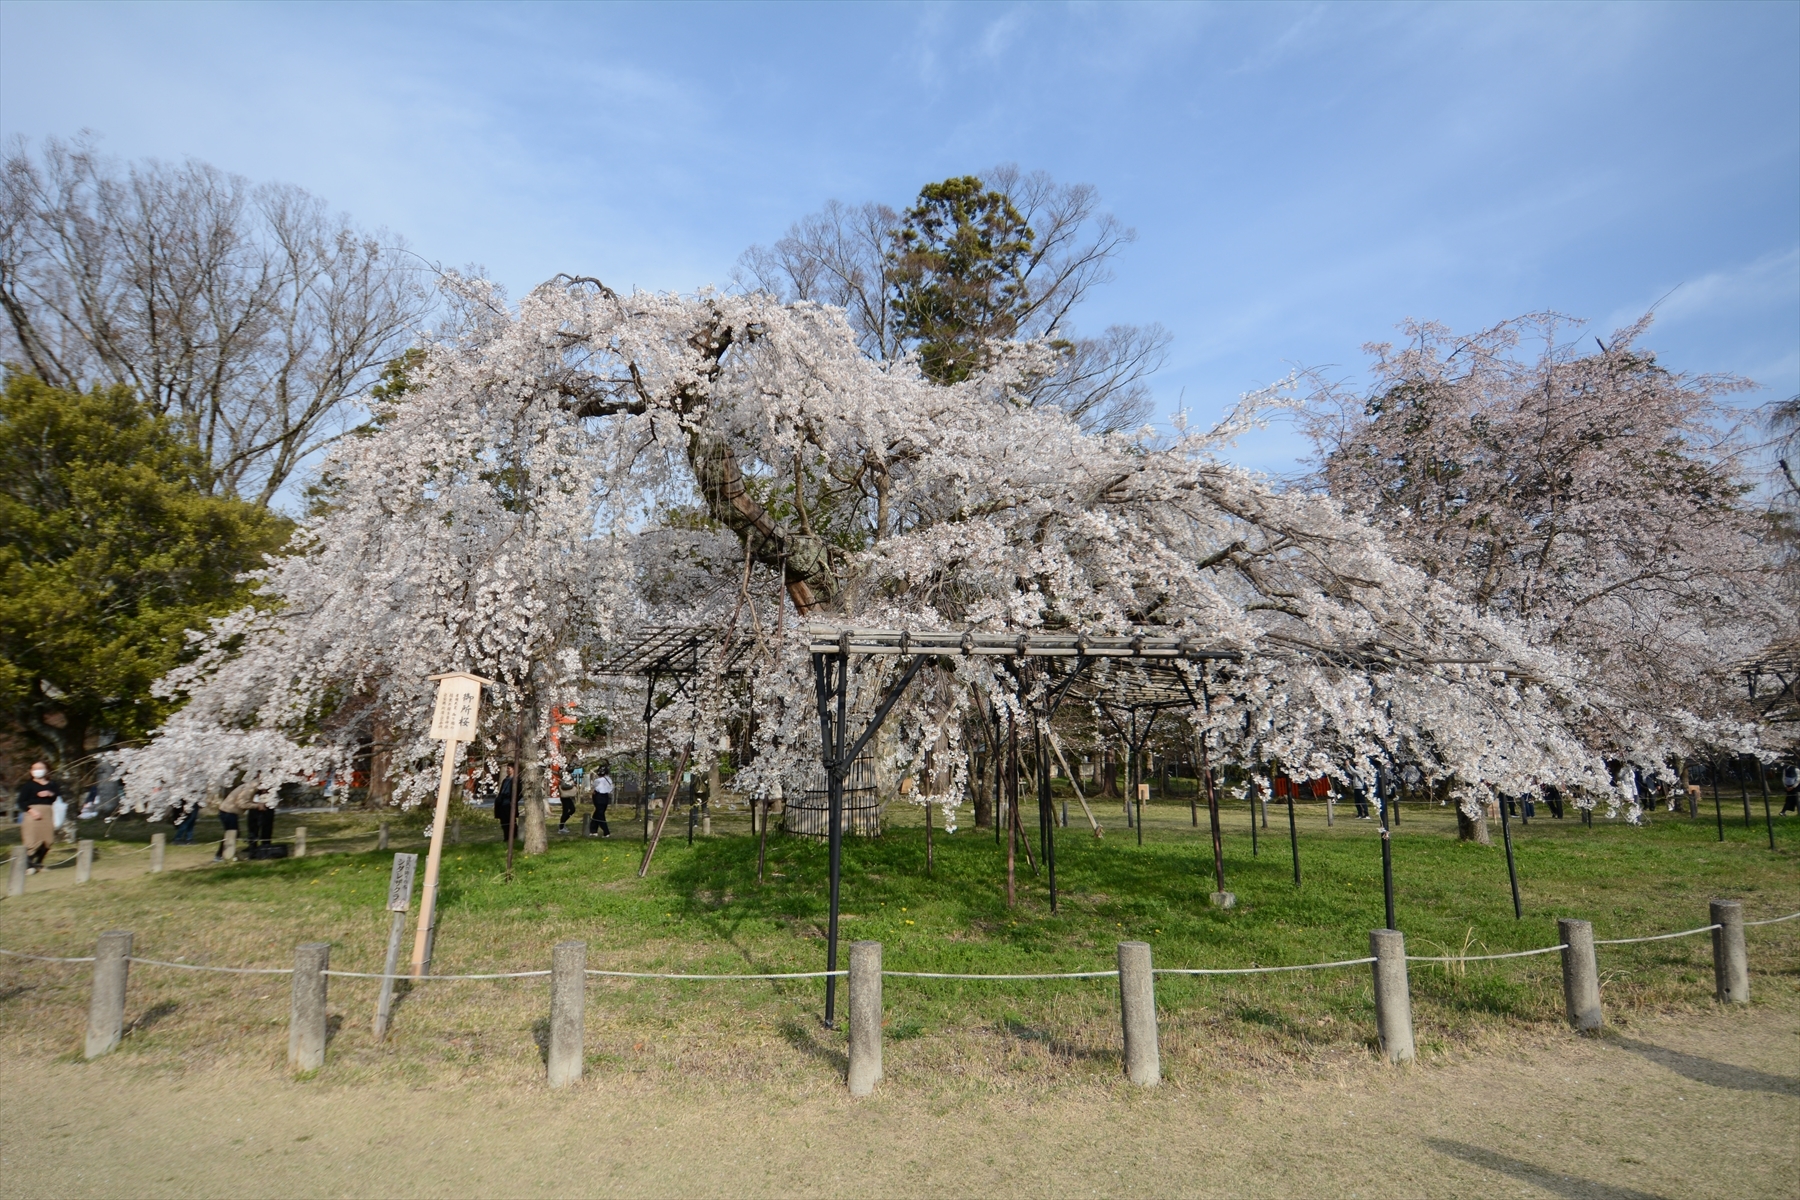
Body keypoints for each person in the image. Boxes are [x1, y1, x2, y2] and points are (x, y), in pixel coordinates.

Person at [15, 763, 61, 872]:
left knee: (47, 840)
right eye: (34, 768)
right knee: (32, 840)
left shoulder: (52, 784)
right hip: (32, 814)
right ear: (31, 771)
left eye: (40, 768)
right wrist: (31, 811)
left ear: (46, 770)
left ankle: (38, 863)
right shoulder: (28, 785)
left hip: (48, 813)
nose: (37, 770)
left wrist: (50, 794)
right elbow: (20, 802)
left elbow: (57, 796)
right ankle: (28, 865)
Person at [215, 778, 253, 860]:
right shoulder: (250, 787)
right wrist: (257, 805)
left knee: (233, 834)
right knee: (231, 834)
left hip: (228, 811)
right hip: (228, 811)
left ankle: (227, 854)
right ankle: (221, 855)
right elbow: (242, 803)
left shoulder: (248, 786)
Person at [495, 764, 519, 843]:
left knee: (511, 821)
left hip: (509, 803)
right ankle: (506, 837)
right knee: (503, 821)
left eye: (509, 769)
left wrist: (514, 800)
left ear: (514, 769)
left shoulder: (516, 780)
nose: (508, 770)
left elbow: (519, 792)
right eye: (507, 769)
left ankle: (513, 836)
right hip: (502, 803)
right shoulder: (505, 780)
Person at [588, 765, 613, 837]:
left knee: (600, 815)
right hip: (606, 797)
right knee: (597, 813)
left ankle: (606, 832)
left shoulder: (597, 780)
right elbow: (611, 788)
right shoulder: (609, 779)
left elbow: (594, 786)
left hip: (598, 797)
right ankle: (593, 830)